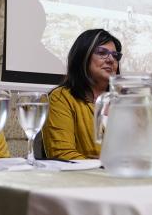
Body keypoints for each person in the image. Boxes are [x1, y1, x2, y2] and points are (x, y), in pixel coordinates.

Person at [41, 28, 122, 160]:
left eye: (115, 55)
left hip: (133, 177)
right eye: (102, 53)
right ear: (82, 57)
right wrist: (109, 165)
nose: (111, 60)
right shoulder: (61, 98)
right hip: (84, 179)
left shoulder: (127, 100)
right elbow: (62, 154)